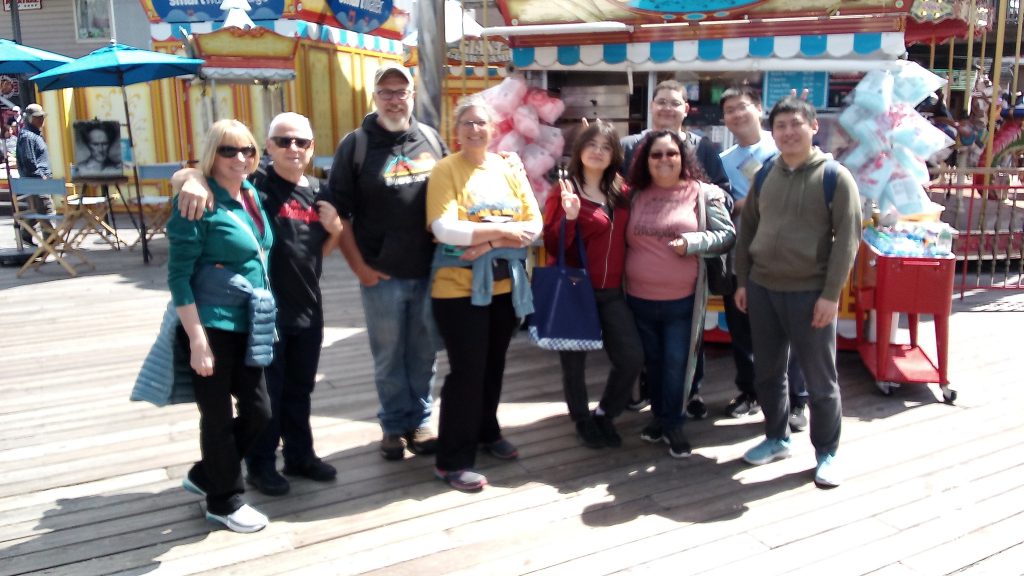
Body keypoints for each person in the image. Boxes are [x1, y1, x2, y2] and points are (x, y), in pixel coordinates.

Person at [174, 112, 343, 496]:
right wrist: (192, 179)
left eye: (301, 142)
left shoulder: (319, 191)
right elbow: (192, 175)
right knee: (270, 394)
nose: (293, 148)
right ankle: (261, 464)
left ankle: (300, 455)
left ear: (312, 148)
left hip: (309, 308)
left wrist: (336, 230)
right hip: (264, 314)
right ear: (267, 148)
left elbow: (321, 251)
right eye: (283, 141)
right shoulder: (254, 185)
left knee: (300, 390)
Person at [734, 96, 862, 488]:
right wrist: (742, 280)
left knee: (820, 380)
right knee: (769, 373)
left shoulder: (835, 177)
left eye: (795, 124)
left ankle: (827, 452)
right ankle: (776, 437)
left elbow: (848, 240)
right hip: (763, 289)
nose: (788, 132)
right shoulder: (767, 171)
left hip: (809, 293)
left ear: (813, 127)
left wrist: (830, 294)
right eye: (781, 126)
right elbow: (749, 229)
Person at [328, 64, 447, 461]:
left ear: (412, 95)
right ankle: (394, 425)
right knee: (388, 354)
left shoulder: (430, 138)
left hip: (431, 271)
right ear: (374, 97)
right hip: (381, 274)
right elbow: (338, 212)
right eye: (386, 92)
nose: (395, 99)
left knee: (424, 352)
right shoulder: (357, 144)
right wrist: (358, 267)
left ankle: (422, 420)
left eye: (402, 91)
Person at [426, 96, 541, 491]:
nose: (475, 130)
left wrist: (490, 243)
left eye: (481, 123)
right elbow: (444, 228)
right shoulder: (446, 170)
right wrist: (504, 232)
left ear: (493, 129)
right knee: (468, 371)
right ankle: (452, 459)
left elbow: (533, 223)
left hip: (504, 285)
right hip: (458, 288)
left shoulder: (509, 167)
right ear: (455, 131)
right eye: (467, 123)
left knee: (493, 365)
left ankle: (486, 430)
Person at [166, 119, 274, 533]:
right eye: (229, 151)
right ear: (213, 154)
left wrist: (187, 173)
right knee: (216, 415)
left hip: (251, 321)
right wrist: (197, 340)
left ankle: (206, 474)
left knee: (260, 411)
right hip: (209, 325)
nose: (240, 158)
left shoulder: (248, 192)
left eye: (247, 149)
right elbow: (178, 276)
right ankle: (223, 500)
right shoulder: (199, 201)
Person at [620, 80, 732, 418]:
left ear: (686, 109)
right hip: (639, 266)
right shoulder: (628, 146)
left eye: (674, 102)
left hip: (686, 267)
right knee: (648, 346)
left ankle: (689, 394)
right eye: (661, 102)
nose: (667, 108)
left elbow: (724, 192)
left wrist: (700, 200)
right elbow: (617, 195)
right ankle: (650, 396)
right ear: (651, 106)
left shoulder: (704, 148)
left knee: (684, 345)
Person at [542, 121, 643, 449]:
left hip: (612, 291)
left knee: (630, 358)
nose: (598, 151)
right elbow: (552, 243)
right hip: (575, 287)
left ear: (615, 153)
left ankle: (605, 414)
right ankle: (582, 420)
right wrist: (570, 219)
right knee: (574, 364)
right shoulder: (567, 189)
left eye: (606, 146)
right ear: (580, 150)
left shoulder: (622, 190)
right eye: (592, 144)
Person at [718, 86, 809, 431]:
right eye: (729, 111)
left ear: (758, 108)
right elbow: (724, 206)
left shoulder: (783, 148)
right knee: (741, 328)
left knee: (790, 330)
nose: (736, 115)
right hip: (741, 257)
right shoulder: (723, 161)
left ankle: (797, 400)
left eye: (742, 107)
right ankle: (750, 392)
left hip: (785, 257)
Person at [14, 103, 55, 246]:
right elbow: (28, 160)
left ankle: (26, 233)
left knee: (38, 210)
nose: (41, 120)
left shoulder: (34, 134)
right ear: (30, 118)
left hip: (39, 180)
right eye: (38, 117)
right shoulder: (28, 136)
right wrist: (41, 177)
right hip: (36, 181)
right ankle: (50, 242)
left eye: (42, 117)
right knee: (46, 210)